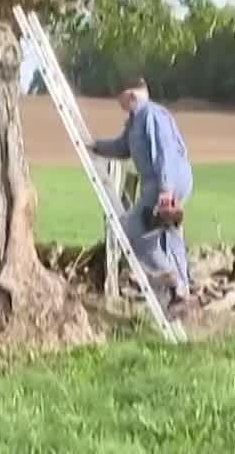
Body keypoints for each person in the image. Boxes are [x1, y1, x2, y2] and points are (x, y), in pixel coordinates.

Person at [88, 78, 194, 318]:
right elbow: (122, 147)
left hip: (162, 183)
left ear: (131, 95)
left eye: (121, 99)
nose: (120, 104)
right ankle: (181, 295)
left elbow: (165, 151)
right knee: (169, 235)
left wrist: (166, 191)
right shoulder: (135, 122)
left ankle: (171, 278)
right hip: (165, 183)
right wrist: (95, 147)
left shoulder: (151, 116)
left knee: (133, 230)